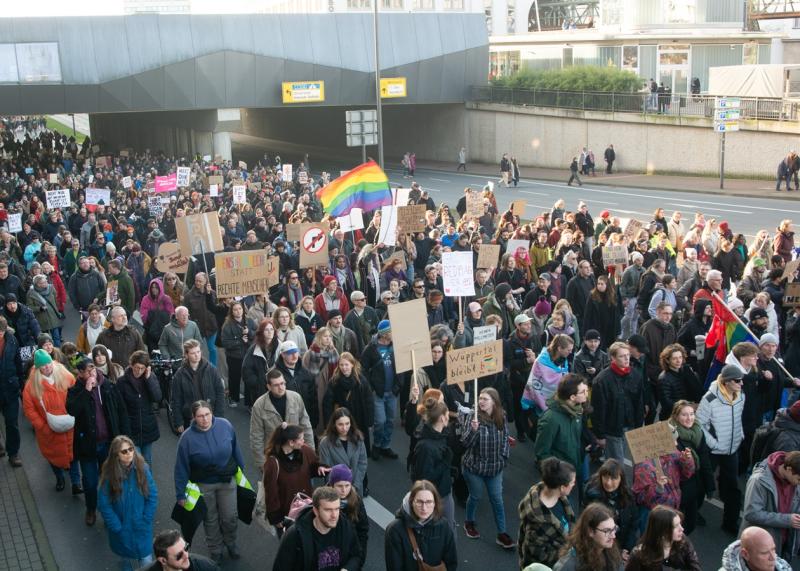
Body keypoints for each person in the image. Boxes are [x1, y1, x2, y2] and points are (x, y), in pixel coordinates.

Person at [174, 400, 245, 564]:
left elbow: (236, 450)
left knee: (230, 516)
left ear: (212, 413)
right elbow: (181, 468)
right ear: (193, 417)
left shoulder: (225, 425)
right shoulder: (186, 438)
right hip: (203, 484)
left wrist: (242, 473)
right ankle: (215, 549)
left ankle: (230, 541)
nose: (205, 419)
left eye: (207, 414)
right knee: (210, 519)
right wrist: (180, 494)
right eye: (200, 416)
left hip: (227, 480)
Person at [66, 356, 130, 526]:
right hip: (88, 445)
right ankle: (91, 508)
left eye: (93, 368)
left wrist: (125, 437)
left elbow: (121, 411)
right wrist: (86, 391)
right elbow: (72, 410)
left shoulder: (108, 386)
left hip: (109, 444)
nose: (92, 373)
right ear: (80, 374)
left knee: (110, 478)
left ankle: (111, 509)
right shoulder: (75, 391)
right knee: (90, 481)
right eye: (88, 371)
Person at [460, 387, 514, 548]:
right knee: (475, 496)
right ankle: (469, 522)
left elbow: (505, 437)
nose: (481, 402)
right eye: (480, 398)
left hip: (495, 469)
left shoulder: (501, 416)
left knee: (497, 500)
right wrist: (474, 431)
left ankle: (502, 533)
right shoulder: (472, 416)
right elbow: (465, 443)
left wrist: (504, 457)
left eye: (485, 399)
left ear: (494, 402)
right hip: (474, 468)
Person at [22, 349, 81, 492]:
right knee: (53, 456)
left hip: (70, 426)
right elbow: (29, 410)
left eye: (49, 363)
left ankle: (76, 483)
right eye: (43, 365)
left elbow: (77, 394)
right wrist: (43, 427)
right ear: (38, 367)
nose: (47, 367)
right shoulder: (31, 386)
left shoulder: (65, 375)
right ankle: (59, 478)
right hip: (48, 430)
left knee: (73, 455)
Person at [696, 364, 746, 535]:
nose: (741, 384)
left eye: (742, 380)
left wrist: (740, 435)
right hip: (714, 450)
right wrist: (714, 444)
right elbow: (699, 424)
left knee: (732, 486)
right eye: (737, 381)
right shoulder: (709, 399)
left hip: (732, 449)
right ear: (726, 382)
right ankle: (692, 512)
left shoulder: (741, 396)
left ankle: (730, 522)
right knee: (703, 482)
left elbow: (737, 418)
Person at [97, 435, 158, 571]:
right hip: (121, 530)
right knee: (125, 563)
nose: (129, 453)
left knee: (147, 563)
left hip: (141, 527)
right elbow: (104, 504)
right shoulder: (109, 475)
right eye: (124, 451)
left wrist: (146, 519)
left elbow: (152, 496)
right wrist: (117, 526)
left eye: (131, 449)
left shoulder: (143, 469)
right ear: (116, 455)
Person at [272, 485, 362, 571]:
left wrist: (347, 569)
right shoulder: (295, 535)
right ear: (315, 510)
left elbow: (356, 555)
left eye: (337, 509)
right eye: (328, 510)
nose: (334, 515)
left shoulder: (346, 527)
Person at [262, 424, 330, 536]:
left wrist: (319, 467)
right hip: (287, 516)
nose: (304, 441)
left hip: (308, 509)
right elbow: (271, 493)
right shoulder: (273, 463)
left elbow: (313, 465)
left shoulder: (306, 451)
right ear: (291, 442)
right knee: (290, 549)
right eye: (301, 438)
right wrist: (276, 518)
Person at [384, 479, 458, 570]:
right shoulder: (395, 530)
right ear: (412, 502)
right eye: (419, 502)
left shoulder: (443, 526)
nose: (424, 508)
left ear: (435, 503)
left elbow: (451, 563)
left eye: (429, 502)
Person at [591, 342, 645, 465]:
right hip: (612, 428)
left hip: (629, 424)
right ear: (613, 358)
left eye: (628, 355)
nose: (626, 359)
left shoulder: (635, 374)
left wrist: (638, 424)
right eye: (622, 356)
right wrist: (600, 435)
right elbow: (598, 410)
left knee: (623, 460)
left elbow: (639, 402)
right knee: (617, 464)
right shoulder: (602, 380)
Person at [250, 368, 315, 470]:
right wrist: (263, 464)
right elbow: (256, 437)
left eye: (282, 383)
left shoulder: (296, 398)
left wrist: (311, 453)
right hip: (275, 456)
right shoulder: (259, 406)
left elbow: (306, 426)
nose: (281, 388)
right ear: (268, 387)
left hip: (297, 452)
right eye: (276, 385)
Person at [534, 374, 589, 495]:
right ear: (573, 397)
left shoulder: (577, 410)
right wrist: (558, 475)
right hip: (561, 479)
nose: (587, 393)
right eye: (583, 391)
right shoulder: (550, 419)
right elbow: (542, 453)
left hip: (576, 467)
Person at [518, 457, 577, 568]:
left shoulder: (557, 496)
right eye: (572, 482)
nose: (574, 484)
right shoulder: (538, 523)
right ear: (562, 487)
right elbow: (538, 558)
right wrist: (564, 553)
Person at [741, 450, 800, 561]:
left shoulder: (793, 479)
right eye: (799, 479)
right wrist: (788, 520)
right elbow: (751, 513)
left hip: (781, 545)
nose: (799, 484)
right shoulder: (759, 480)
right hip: (759, 548)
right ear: (789, 469)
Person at [668, 400, 715, 535]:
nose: (689, 418)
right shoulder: (669, 434)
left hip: (694, 485)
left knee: (690, 524)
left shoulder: (698, 431)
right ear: (676, 416)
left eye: (692, 414)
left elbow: (704, 459)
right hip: (677, 487)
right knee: (675, 527)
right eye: (684, 415)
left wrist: (709, 485)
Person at [411, 397, 455, 533]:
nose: (449, 417)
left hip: (444, 488)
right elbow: (425, 478)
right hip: (436, 495)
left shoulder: (440, 434)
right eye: (448, 415)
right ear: (442, 418)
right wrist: (445, 464)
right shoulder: (426, 446)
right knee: (443, 530)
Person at [322, 351, 375, 457]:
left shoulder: (361, 381)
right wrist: (328, 423)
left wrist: (369, 420)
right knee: (344, 450)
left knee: (359, 449)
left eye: (346, 364)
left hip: (359, 418)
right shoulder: (334, 382)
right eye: (341, 364)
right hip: (342, 421)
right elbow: (327, 403)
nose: (344, 367)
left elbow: (369, 400)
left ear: (352, 364)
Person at [361, 319, 400, 461]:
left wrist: (398, 386)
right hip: (378, 393)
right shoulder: (370, 348)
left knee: (390, 420)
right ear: (384, 334)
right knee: (380, 422)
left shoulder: (396, 347)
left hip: (392, 391)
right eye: (391, 331)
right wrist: (371, 388)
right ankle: (377, 445)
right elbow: (363, 370)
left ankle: (385, 445)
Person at [584, 459, 639, 558]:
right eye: (605, 477)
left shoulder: (628, 496)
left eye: (613, 478)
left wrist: (627, 548)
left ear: (621, 479)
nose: (608, 483)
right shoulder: (592, 496)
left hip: (621, 546)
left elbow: (633, 524)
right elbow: (589, 526)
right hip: (599, 548)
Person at [116, 350, 161, 466]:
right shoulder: (122, 382)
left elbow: (157, 397)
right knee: (135, 463)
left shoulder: (150, 377)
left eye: (142, 368)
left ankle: (147, 484)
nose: (139, 371)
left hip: (147, 427)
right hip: (131, 428)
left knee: (147, 462)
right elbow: (120, 407)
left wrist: (149, 379)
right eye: (137, 367)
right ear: (131, 365)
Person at [170, 339, 226, 433]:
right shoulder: (179, 375)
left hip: (209, 417)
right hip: (190, 419)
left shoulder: (211, 369)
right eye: (193, 353)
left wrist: (218, 416)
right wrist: (179, 422)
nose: (197, 355)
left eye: (198, 352)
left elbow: (220, 392)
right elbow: (176, 400)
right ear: (186, 355)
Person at [625, 505, 700, 570]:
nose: (682, 529)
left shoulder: (683, 542)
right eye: (676, 526)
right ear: (663, 531)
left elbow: (695, 567)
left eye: (680, 524)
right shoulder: (639, 555)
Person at [553, 503, 623, 571]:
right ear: (590, 531)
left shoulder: (612, 554)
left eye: (614, 529)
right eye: (607, 531)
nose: (613, 536)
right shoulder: (568, 565)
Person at [319, 407, 369, 497]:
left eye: (347, 423)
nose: (345, 428)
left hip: (355, 487)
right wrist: (339, 488)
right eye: (340, 424)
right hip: (336, 489)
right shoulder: (325, 443)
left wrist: (355, 485)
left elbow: (362, 463)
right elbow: (326, 469)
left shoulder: (358, 439)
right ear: (334, 424)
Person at [329, 464, 369, 567]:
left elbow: (363, 530)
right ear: (332, 485)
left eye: (347, 485)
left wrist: (360, 556)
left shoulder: (356, 500)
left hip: (351, 553)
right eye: (340, 486)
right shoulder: (324, 500)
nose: (344, 490)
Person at [219, 301, 256, 407]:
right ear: (232, 312)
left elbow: (257, 334)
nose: (238, 311)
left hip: (248, 354)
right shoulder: (227, 325)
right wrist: (240, 341)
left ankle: (249, 402)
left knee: (249, 377)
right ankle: (233, 397)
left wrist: (249, 332)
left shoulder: (249, 321)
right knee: (234, 377)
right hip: (234, 356)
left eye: (240, 309)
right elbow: (225, 343)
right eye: (235, 309)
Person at [183, 272, 221, 367]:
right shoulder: (188, 296)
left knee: (212, 348)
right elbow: (186, 312)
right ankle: (199, 368)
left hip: (211, 326)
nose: (197, 283)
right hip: (197, 327)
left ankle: (213, 369)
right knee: (197, 350)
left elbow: (218, 307)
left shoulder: (212, 293)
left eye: (200, 281)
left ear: (205, 282)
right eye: (196, 280)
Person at [657, 344, 702, 421]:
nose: (678, 361)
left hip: (689, 413)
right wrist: (689, 406)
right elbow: (667, 404)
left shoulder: (686, 370)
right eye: (674, 358)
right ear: (667, 360)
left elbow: (697, 389)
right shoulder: (663, 378)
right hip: (671, 417)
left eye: (680, 357)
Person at [241, 317, 279, 407]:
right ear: (261, 332)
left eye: (271, 329)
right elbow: (246, 370)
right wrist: (257, 383)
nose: (270, 332)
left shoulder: (281, 347)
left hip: (278, 386)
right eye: (266, 330)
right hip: (260, 390)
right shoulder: (254, 349)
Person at [0, 316, 22, 467]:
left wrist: (20, 383)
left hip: (10, 387)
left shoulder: (12, 340)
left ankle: (13, 453)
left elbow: (18, 363)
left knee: (12, 422)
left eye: (1, 332)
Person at [141, 529, 220, 571]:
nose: (186, 555)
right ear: (163, 560)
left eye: (186, 548)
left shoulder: (207, 567)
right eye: (179, 555)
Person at [721, 525, 793, 571]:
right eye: (764, 553)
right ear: (745, 554)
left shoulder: (783, 567)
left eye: (773, 549)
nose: (773, 557)